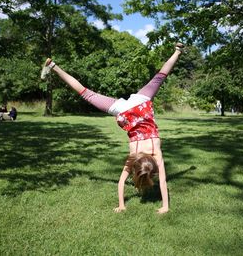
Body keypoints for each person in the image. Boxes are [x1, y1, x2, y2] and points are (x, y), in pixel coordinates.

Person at [40, 43, 185, 214]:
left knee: (160, 76)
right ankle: (54, 67)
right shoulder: (134, 155)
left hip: (140, 103)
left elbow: (160, 180)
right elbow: (134, 181)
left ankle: (177, 51)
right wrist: (163, 206)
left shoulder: (153, 153)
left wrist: (126, 205)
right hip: (124, 111)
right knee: (86, 93)